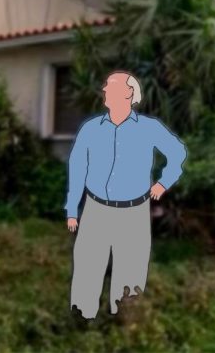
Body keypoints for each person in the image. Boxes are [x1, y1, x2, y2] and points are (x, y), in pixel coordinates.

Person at [64, 70, 188, 320]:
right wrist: (72, 209)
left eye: (110, 87)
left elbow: (178, 153)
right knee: (88, 267)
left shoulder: (148, 128)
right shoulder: (91, 129)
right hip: (96, 208)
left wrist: (163, 184)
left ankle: (125, 322)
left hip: (133, 211)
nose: (105, 92)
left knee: (130, 271)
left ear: (129, 94)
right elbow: (77, 168)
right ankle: (83, 322)